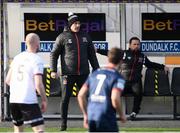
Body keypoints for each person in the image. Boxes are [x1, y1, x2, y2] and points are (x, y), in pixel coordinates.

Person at [97, 37, 169, 120]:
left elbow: (150, 64)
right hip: (122, 82)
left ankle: (134, 113)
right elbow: (109, 53)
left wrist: (163, 67)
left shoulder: (142, 57)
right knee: (113, 94)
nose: (136, 46)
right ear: (130, 45)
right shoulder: (123, 54)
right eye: (134, 44)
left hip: (135, 82)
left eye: (138, 44)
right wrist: (97, 50)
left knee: (138, 93)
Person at [50, 12, 99, 131]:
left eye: (78, 23)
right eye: (75, 23)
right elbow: (54, 54)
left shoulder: (86, 36)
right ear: (70, 24)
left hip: (84, 74)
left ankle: (90, 123)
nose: (77, 25)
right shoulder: (62, 37)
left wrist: (97, 69)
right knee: (65, 99)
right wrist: (53, 70)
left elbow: (92, 55)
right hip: (68, 74)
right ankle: (63, 125)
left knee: (87, 98)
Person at [5, 33, 48, 132]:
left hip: (14, 100)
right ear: (37, 44)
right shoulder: (36, 59)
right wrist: (44, 100)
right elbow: (38, 84)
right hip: (28, 100)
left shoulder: (17, 58)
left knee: (18, 130)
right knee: (39, 129)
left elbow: (7, 80)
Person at [78, 47, 126, 132]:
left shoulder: (94, 73)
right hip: (106, 116)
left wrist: (86, 115)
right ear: (121, 60)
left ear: (108, 58)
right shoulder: (118, 77)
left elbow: (81, 95)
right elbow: (115, 98)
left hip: (92, 116)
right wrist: (121, 114)